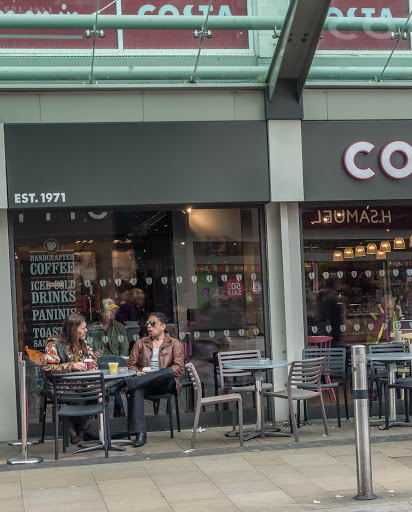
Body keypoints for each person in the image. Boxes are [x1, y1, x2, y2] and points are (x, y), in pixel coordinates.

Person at [107, 312, 184, 447]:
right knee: (136, 389)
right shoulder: (140, 343)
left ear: (163, 326)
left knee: (167, 371)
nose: (149, 326)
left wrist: (156, 374)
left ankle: (125, 383)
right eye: (147, 323)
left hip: (165, 383)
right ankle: (140, 433)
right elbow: (131, 365)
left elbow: (178, 368)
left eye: (153, 323)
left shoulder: (174, 344)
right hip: (144, 382)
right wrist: (138, 373)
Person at [43, 313, 103, 444]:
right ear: (73, 329)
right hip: (62, 387)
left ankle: (80, 431)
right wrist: (72, 366)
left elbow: (94, 361)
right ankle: (76, 431)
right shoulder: (54, 344)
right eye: (83, 328)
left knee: (100, 395)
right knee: (79, 400)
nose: (86, 330)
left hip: (83, 385)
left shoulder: (82, 343)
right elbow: (48, 368)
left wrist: (90, 365)